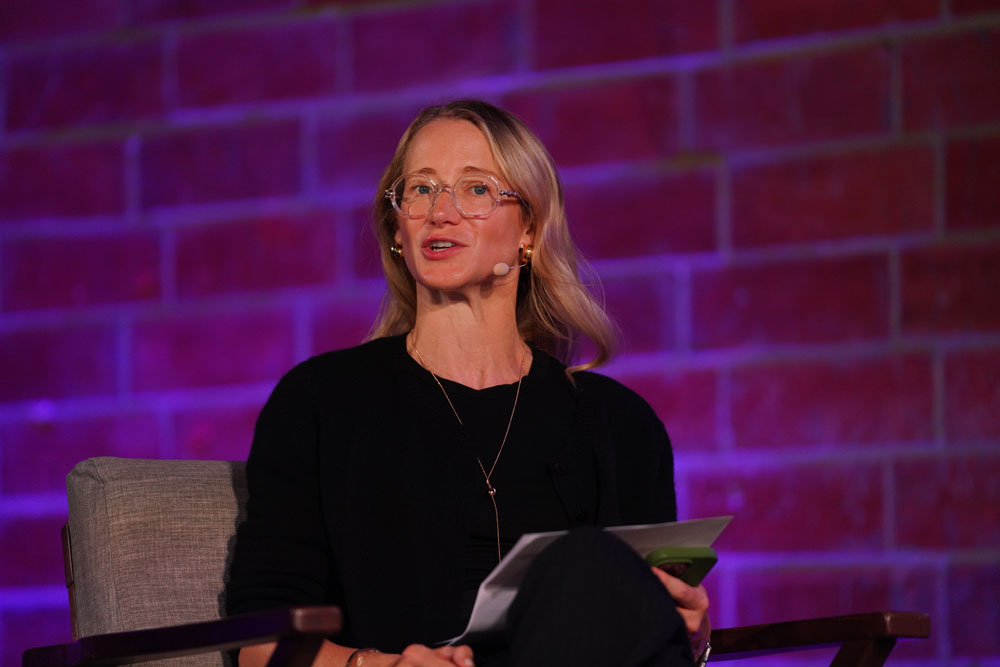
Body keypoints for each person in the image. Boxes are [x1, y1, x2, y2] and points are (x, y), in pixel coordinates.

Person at [225, 99, 711, 667]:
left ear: (529, 228)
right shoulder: (320, 402)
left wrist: (690, 632)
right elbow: (261, 643)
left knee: (588, 566)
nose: (440, 212)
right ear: (397, 229)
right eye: (420, 189)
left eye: (476, 189)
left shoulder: (624, 426)